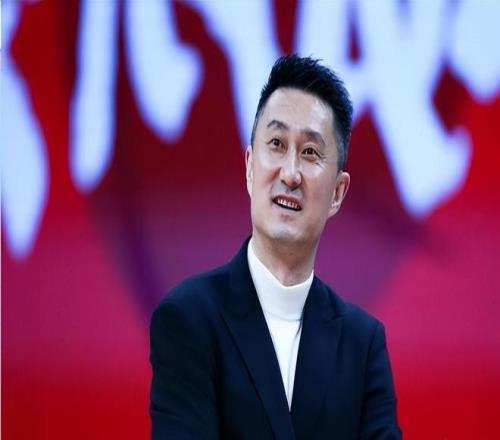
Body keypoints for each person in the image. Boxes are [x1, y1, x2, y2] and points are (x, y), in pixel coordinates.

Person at [150, 55, 401, 439]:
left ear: (337, 192)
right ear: (250, 168)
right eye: (277, 144)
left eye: (310, 152)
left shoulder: (361, 345)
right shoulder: (189, 319)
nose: (290, 173)